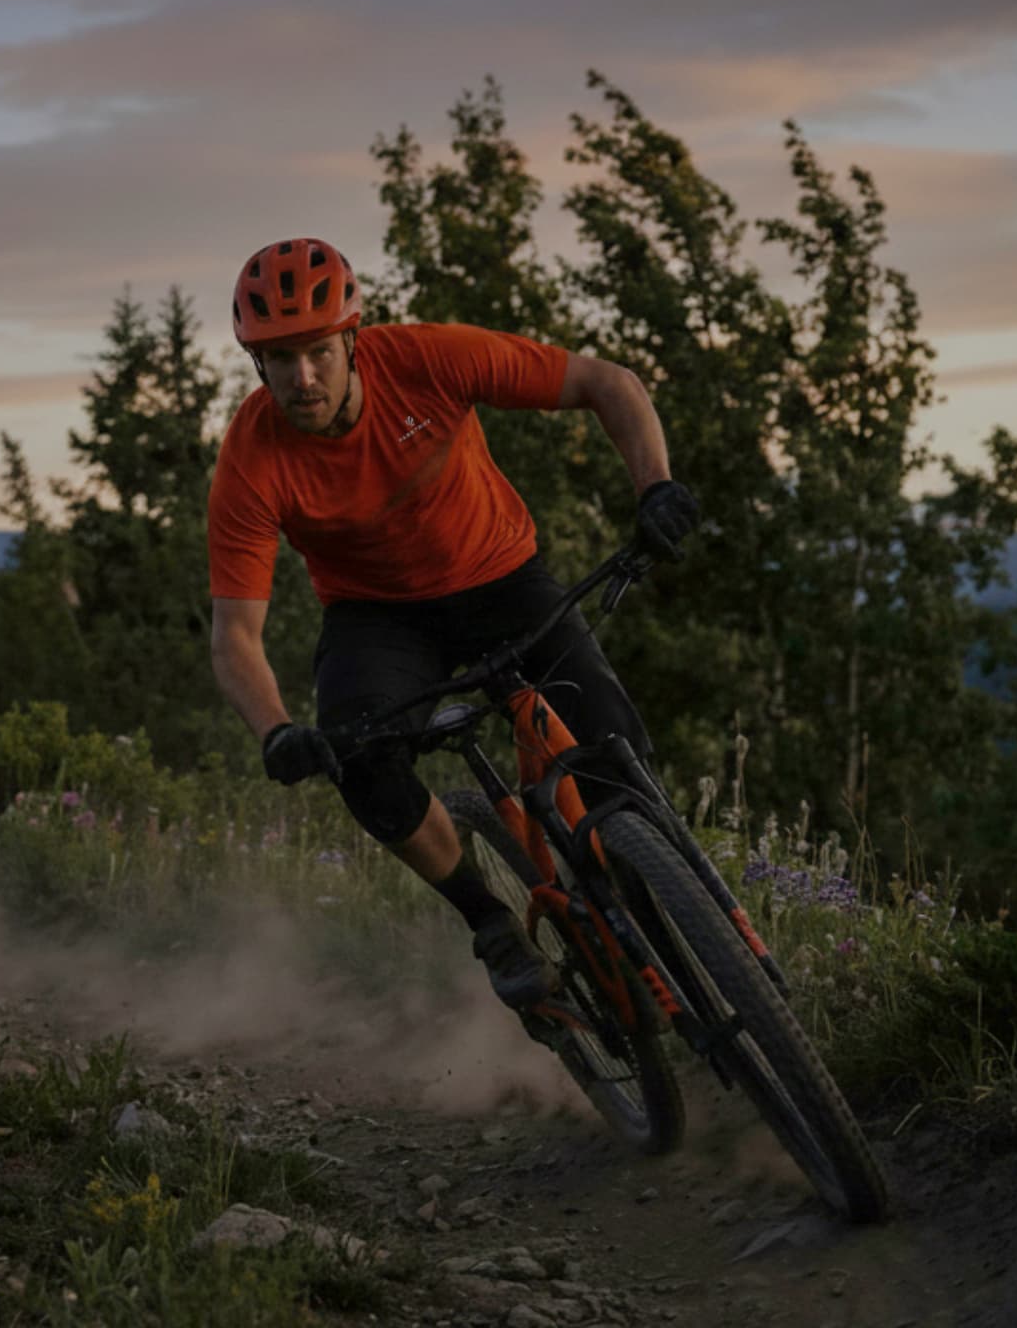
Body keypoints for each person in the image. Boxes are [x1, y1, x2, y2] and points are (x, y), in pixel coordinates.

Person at [205, 236, 699, 1020]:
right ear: (254, 364)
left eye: (318, 353)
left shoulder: (430, 360)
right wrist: (274, 731)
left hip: (501, 578)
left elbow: (609, 385)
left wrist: (656, 488)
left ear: (353, 339)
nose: (302, 378)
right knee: (362, 761)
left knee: (611, 748)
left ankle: (670, 923)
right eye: (278, 359)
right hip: (376, 618)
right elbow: (235, 636)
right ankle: (491, 923)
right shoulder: (253, 458)